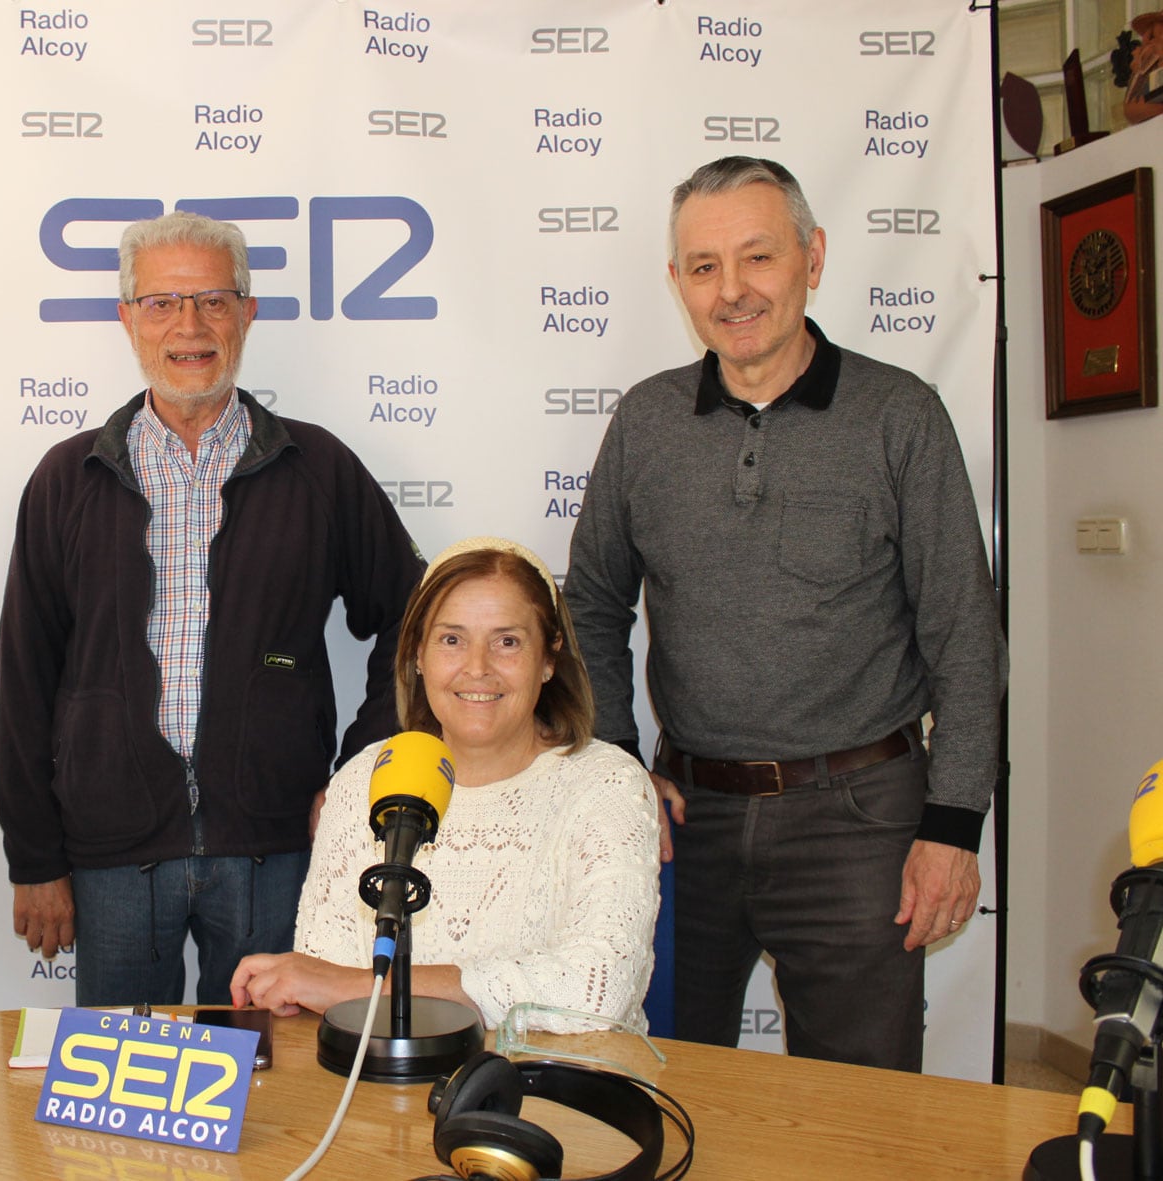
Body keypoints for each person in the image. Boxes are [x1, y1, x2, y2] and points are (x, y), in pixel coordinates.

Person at [562, 156, 1007, 1071]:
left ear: (814, 257)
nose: (732, 291)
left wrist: (953, 827)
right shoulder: (646, 423)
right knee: (663, 1089)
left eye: (758, 258)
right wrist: (615, 770)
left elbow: (966, 636)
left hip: (863, 823)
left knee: (862, 1110)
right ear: (676, 282)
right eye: (703, 267)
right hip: (686, 822)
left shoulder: (901, 417)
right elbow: (591, 607)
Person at [0, 210, 425, 1007]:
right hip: (113, 858)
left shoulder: (318, 469)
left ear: (248, 313)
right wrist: (35, 858)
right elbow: (24, 678)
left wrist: (360, 770)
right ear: (127, 319)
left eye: (213, 301)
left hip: (275, 848)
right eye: (161, 303)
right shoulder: (66, 479)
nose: (188, 326)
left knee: (272, 1093)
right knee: (124, 1094)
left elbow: (415, 619)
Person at [229, 537, 659, 1032]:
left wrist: (362, 989)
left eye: (508, 641)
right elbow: (317, 979)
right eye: (451, 639)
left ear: (549, 658)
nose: (477, 667)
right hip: (384, 1089)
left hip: (553, 1094)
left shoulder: (607, 784)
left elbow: (595, 990)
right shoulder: (363, 780)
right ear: (417, 655)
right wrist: (333, 987)